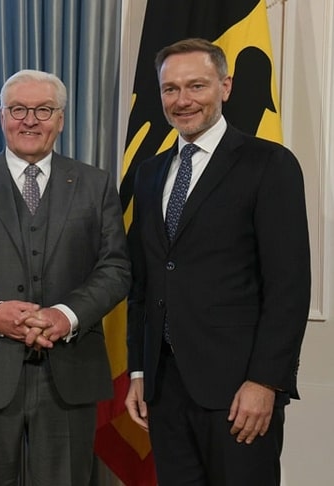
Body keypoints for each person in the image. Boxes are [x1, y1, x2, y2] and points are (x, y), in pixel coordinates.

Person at [0, 69, 131, 486]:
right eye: (18, 109)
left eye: (43, 110)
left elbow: (116, 268)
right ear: (2, 117)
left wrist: (67, 316)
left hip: (70, 375)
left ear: (60, 119)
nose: (30, 120)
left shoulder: (96, 184)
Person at [125, 38, 310, 485]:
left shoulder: (270, 164)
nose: (182, 100)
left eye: (196, 86)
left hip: (239, 391)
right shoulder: (150, 173)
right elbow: (144, 281)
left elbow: (289, 286)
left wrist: (266, 382)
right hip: (165, 390)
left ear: (225, 87)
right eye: (170, 89)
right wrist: (138, 371)